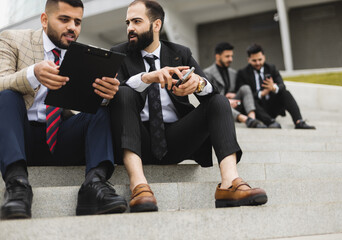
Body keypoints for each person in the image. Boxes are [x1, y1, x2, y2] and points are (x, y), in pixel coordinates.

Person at [109, 0, 267, 212]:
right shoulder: (118, 54)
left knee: (218, 101)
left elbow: (211, 92)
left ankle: (230, 183)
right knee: (124, 92)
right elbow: (111, 95)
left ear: (156, 25)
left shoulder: (180, 52)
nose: (130, 28)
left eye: (137, 21)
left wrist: (198, 84)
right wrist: (146, 78)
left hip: (177, 138)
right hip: (136, 139)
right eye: (128, 22)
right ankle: (138, 185)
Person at [0, 0, 127, 220]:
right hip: (21, 137)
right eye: (64, 19)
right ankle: (17, 185)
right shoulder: (11, 39)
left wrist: (105, 95)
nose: (72, 28)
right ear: (44, 19)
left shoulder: (83, 56)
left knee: (99, 110)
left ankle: (94, 186)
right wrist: (33, 74)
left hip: (59, 138)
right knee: (8, 96)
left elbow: (86, 106)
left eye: (77, 22)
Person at [236, 44, 316, 129]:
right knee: (251, 100)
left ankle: (299, 121)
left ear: (264, 57)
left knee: (285, 93)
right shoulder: (242, 73)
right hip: (257, 109)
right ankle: (270, 122)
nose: (258, 63)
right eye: (254, 61)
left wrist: (273, 88)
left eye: (260, 59)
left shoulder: (271, 68)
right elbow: (244, 95)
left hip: (272, 105)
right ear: (248, 60)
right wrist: (261, 94)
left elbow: (282, 85)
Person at [204, 42, 265, 128]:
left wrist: (233, 96)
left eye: (231, 56)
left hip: (235, 105)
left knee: (245, 88)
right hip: (218, 107)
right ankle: (245, 120)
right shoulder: (207, 73)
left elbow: (236, 91)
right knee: (218, 103)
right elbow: (208, 97)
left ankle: (252, 119)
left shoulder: (233, 73)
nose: (230, 59)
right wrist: (226, 101)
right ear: (217, 56)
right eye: (227, 56)